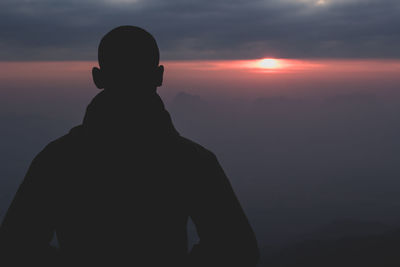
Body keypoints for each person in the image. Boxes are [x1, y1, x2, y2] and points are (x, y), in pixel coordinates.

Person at [0, 26, 259, 267]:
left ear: (98, 78)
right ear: (159, 76)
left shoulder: (56, 160)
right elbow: (238, 250)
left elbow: (15, 247)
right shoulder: (193, 161)